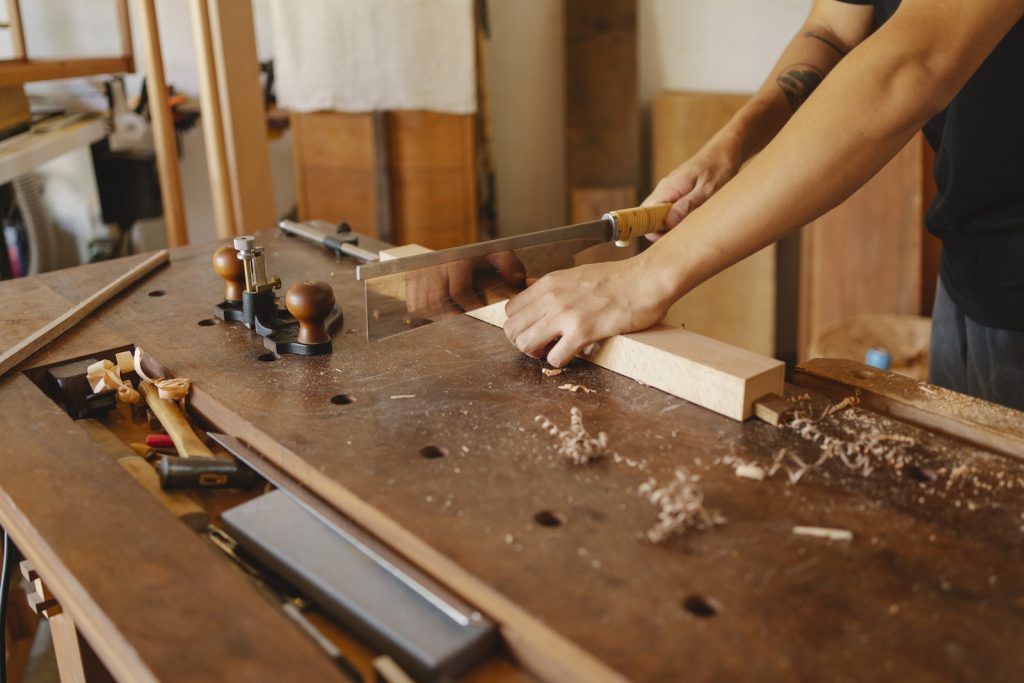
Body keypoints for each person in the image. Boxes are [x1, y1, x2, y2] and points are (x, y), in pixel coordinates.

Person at [502, 0, 1024, 411]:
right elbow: (836, 31)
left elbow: (914, 63)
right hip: (970, 262)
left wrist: (646, 277)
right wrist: (730, 147)